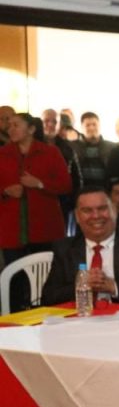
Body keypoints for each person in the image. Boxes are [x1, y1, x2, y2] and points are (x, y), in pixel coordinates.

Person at [41, 186, 119, 306]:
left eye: (102, 208)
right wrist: (83, 285)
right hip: (82, 317)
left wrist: (114, 287)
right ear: (77, 216)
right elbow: (48, 297)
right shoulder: (64, 248)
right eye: (87, 211)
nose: (96, 216)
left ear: (115, 211)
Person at [0, 112, 72, 310]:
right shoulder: (2, 154)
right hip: (12, 229)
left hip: (45, 227)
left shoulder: (50, 152)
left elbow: (66, 185)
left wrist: (39, 184)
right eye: (9, 125)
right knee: (14, 279)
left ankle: (45, 315)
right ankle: (14, 317)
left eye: (16, 125)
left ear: (31, 129)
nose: (10, 129)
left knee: (46, 278)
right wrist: (5, 191)